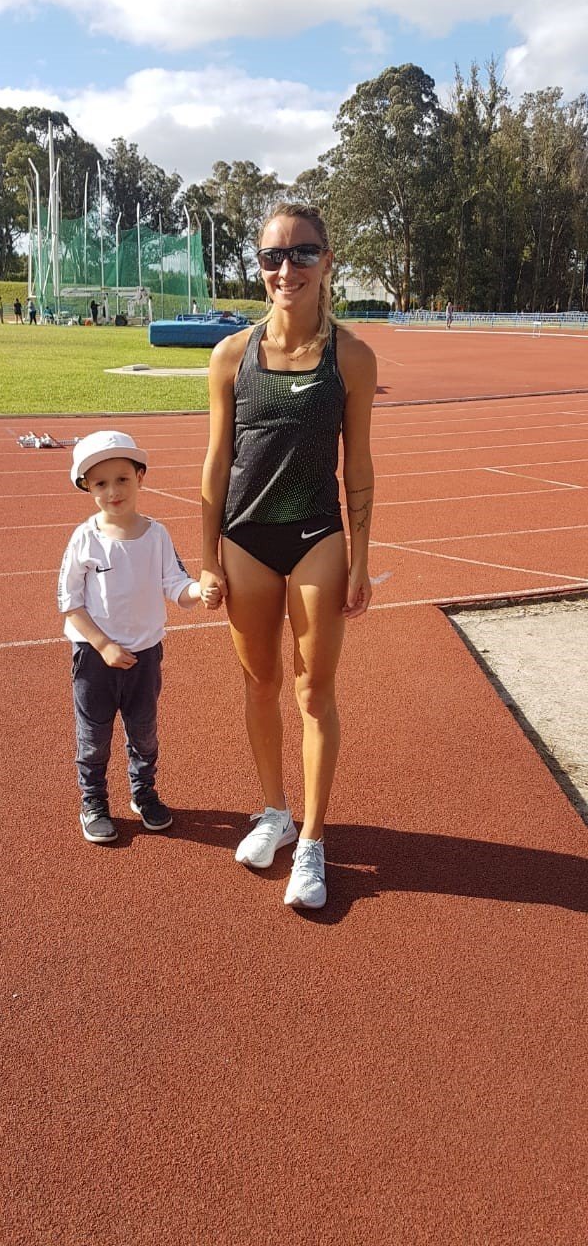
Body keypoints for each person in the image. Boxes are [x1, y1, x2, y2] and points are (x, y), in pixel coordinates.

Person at [200, 202, 377, 910]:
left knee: (314, 691)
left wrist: (361, 558)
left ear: (327, 262)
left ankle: (312, 840)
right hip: (244, 538)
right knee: (258, 683)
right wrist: (204, 555)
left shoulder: (352, 357)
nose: (286, 269)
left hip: (315, 537)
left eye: (302, 254)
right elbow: (216, 463)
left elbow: (357, 466)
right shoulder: (231, 355)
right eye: (273, 256)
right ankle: (273, 812)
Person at [58, 430, 203, 844]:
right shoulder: (84, 538)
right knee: (94, 737)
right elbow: (69, 603)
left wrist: (200, 590)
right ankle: (94, 801)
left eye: (122, 478)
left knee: (144, 732)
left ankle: (143, 792)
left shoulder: (157, 535)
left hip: (145, 657)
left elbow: (177, 586)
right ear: (87, 487)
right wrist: (103, 644)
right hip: (94, 659)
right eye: (100, 483)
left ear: (140, 476)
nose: (113, 491)